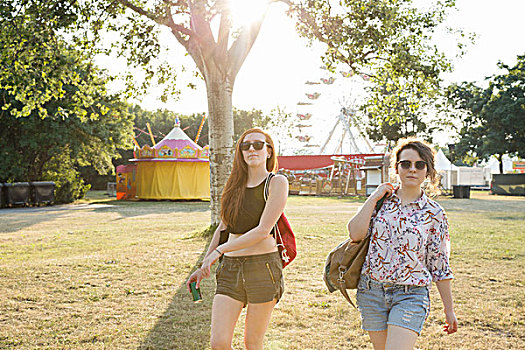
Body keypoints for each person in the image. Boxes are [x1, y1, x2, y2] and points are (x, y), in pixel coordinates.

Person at [347, 138, 458, 350]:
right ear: (396, 168)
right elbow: (355, 233)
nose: (412, 169)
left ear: (428, 170)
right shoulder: (381, 202)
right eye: (405, 164)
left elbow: (440, 265)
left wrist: (449, 309)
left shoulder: (434, 213)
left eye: (419, 165)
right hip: (372, 291)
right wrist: (374, 198)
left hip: (411, 294)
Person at [186, 128, 288, 350]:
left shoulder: (276, 182)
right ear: (240, 152)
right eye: (245, 146)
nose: (252, 149)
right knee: (219, 343)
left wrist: (220, 251)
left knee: (252, 344)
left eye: (258, 145)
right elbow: (223, 228)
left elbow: (263, 230)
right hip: (230, 269)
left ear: (269, 151)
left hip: (263, 268)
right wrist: (205, 262)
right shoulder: (233, 186)